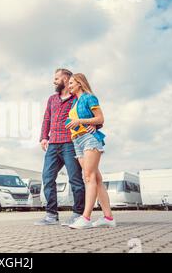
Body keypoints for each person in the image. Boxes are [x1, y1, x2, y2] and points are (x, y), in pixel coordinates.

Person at [35, 68, 96, 226]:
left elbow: (92, 113)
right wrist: (43, 137)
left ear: (66, 79)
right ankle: (51, 214)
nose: (54, 81)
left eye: (57, 78)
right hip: (53, 144)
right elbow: (46, 118)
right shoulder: (52, 99)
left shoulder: (77, 98)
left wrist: (97, 125)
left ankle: (78, 213)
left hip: (71, 143)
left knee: (75, 179)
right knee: (47, 178)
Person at [65, 73, 116, 229]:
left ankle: (86, 218)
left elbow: (100, 119)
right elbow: (74, 121)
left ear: (80, 83)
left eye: (72, 83)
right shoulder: (74, 103)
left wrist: (81, 121)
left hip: (89, 138)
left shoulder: (89, 97)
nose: (69, 86)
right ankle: (108, 218)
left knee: (89, 177)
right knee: (96, 179)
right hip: (77, 141)